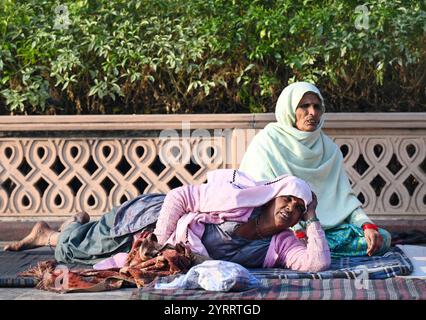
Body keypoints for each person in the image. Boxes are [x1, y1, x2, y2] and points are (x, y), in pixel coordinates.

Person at [4, 169, 331, 273]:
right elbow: (179, 197)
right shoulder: (236, 201)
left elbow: (316, 263)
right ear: (272, 197)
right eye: (287, 198)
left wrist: (313, 217)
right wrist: (160, 239)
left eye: (299, 208)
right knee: (77, 251)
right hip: (154, 220)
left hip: (170, 246)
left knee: (95, 261)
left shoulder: (282, 244)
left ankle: (65, 228)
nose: (290, 207)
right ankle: (52, 232)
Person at [239, 82, 391, 257]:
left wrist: (366, 225)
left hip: (324, 229)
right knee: (274, 241)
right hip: (280, 229)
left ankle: (314, 250)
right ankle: (310, 250)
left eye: (317, 107)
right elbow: (261, 198)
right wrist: (297, 230)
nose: (312, 112)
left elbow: (345, 199)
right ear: (289, 109)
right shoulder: (267, 142)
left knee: (382, 238)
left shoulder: (329, 150)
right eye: (304, 106)